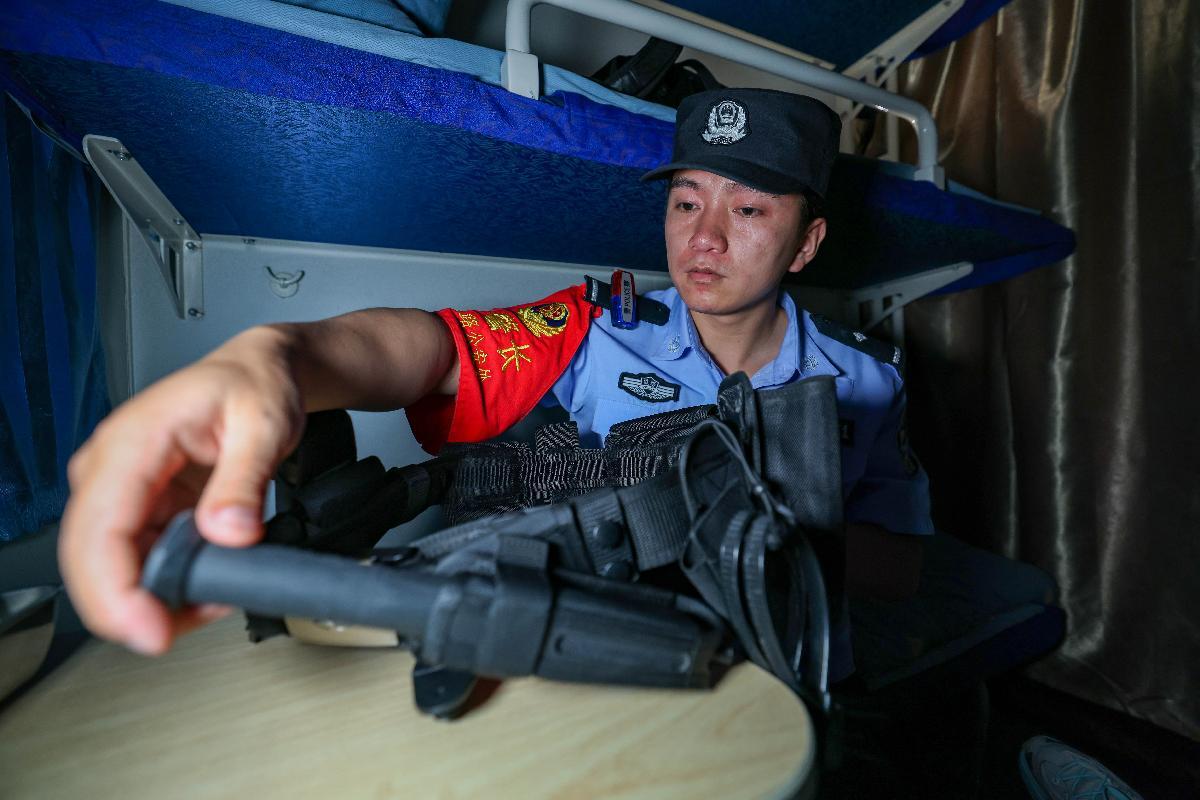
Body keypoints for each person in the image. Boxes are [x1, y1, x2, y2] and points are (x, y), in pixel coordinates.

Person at [58, 89, 931, 681]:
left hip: (787, 668)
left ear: (806, 243)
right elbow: (433, 348)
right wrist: (278, 357)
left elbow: (901, 568)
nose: (704, 238)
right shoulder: (599, 331)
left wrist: (761, 518)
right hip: (612, 654)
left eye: (748, 209)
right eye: (685, 201)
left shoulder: (868, 378)